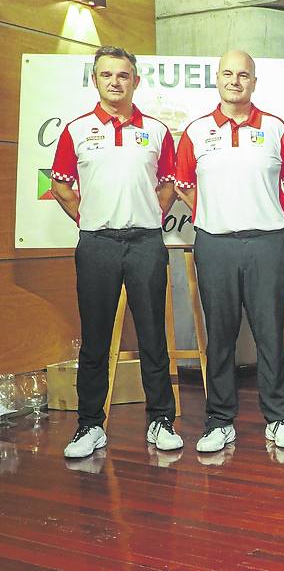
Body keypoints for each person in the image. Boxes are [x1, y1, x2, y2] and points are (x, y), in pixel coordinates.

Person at [53, 46, 182, 459]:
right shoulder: (76, 130)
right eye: (106, 75)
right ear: (96, 80)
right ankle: (90, 425)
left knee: (152, 337)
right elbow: (59, 186)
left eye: (123, 75)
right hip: (97, 245)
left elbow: (168, 185)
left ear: (135, 81)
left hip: (146, 243)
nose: (115, 81)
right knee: (95, 339)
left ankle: (161, 420)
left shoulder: (158, 131)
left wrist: (149, 214)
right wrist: (89, 218)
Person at [175, 50, 284, 453]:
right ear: (217, 80)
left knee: (269, 334)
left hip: (267, 243)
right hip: (215, 244)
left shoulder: (276, 128)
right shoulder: (195, 132)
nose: (235, 80)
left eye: (243, 74)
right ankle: (219, 420)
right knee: (221, 336)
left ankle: (278, 418)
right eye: (228, 74)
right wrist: (213, 214)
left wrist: (263, 211)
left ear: (254, 82)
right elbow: (183, 184)